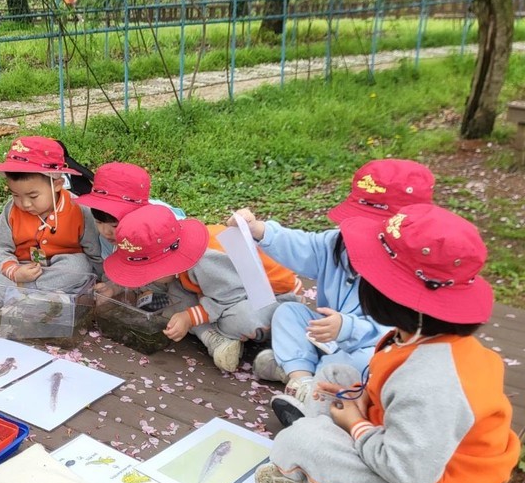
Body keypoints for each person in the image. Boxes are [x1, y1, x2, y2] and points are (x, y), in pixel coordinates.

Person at [255, 204, 521, 483]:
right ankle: (329, 444)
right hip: (411, 446)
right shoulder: (417, 336)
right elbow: (390, 391)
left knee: (296, 442)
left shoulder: (432, 383)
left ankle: (333, 481)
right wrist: (358, 400)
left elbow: (406, 471)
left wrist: (355, 424)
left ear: (392, 298)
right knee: (336, 375)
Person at [230, 159, 434, 422]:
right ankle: (301, 380)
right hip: (330, 333)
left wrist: (347, 327)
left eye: (372, 225)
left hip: (371, 346)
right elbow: (301, 245)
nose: (360, 232)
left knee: (361, 365)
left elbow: (397, 334)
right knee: (288, 313)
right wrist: (259, 230)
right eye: (357, 221)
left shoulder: (410, 269)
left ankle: (311, 388)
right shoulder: (337, 243)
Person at [103, 206, 300, 373]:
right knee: (174, 296)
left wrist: (189, 317)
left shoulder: (206, 260)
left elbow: (229, 298)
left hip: (272, 297)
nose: (145, 278)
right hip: (223, 290)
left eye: (147, 272)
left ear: (167, 261)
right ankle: (213, 336)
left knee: (241, 319)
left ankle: (218, 333)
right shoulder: (181, 253)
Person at [0, 136, 103, 308]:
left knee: (80, 265)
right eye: (16, 195)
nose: (24, 204)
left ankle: (10, 297)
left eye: (33, 196)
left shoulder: (79, 210)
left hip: (58, 272)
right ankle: (34, 299)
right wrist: (14, 271)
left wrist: (104, 283)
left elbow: (94, 254)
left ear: (57, 184)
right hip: (19, 271)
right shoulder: (11, 211)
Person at [74, 161, 185, 308]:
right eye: (99, 222)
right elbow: (120, 267)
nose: (106, 232)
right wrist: (113, 287)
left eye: (115, 226)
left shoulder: (163, 229)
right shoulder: (107, 238)